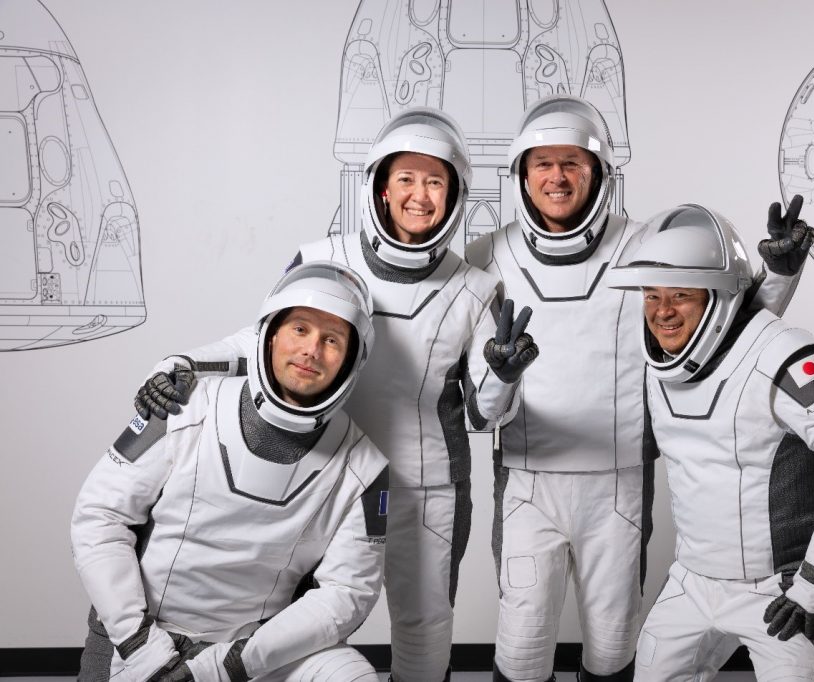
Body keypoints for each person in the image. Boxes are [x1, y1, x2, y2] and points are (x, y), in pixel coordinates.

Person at [132, 108, 538, 682]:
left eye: (435, 181)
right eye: (406, 178)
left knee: (424, 630)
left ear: (454, 195)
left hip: (425, 492)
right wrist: (178, 364)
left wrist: (502, 373)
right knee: (304, 625)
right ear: (379, 184)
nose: (419, 195)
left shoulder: (476, 288)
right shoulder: (321, 258)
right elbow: (260, 343)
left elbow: (480, 414)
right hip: (322, 476)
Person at [465, 95, 814, 682]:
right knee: (522, 652)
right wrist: (500, 373)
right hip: (528, 483)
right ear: (522, 173)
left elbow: (722, 332)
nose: (557, 176)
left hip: (620, 483)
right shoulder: (486, 257)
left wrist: (778, 274)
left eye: (573, 162)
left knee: (613, 648)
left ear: (599, 173)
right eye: (542, 163)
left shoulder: (647, 243)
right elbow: (478, 412)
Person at [606, 204, 814, 681]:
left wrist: (813, 584)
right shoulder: (659, 359)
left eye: (680, 295)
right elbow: (725, 346)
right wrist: (777, 274)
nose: (663, 311)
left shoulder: (786, 353)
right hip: (692, 581)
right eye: (652, 296)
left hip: (778, 591)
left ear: (716, 297)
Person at [72, 261, 388, 681]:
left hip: (252, 651)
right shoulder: (182, 406)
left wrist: (230, 664)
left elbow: (346, 594)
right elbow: (99, 517)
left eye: (332, 340)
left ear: (349, 361)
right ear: (270, 336)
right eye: (300, 329)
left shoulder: (365, 468)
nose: (312, 350)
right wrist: (137, 643)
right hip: (141, 638)